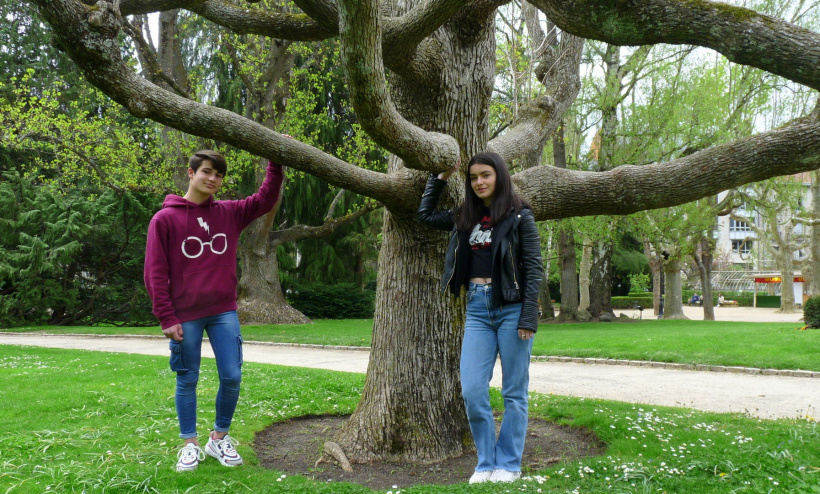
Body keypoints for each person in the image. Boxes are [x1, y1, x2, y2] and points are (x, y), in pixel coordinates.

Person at [144, 150, 283, 472]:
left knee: (232, 376)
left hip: (223, 311)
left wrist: (276, 161)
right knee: (187, 379)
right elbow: (154, 271)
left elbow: (265, 199)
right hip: (185, 314)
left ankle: (218, 438)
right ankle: (189, 444)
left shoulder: (229, 213)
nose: (212, 179)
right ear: (190, 173)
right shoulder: (164, 219)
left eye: (219, 175)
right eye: (207, 172)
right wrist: (166, 316)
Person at [416, 152, 543, 484]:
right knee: (472, 389)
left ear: (499, 176)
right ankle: (486, 462)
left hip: (512, 309)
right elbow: (425, 216)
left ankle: (510, 463)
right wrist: (440, 176)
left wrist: (529, 316)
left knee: (515, 391)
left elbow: (533, 269)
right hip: (476, 309)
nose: (480, 182)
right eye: (474, 178)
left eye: (485, 175)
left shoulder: (519, 216)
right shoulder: (465, 216)